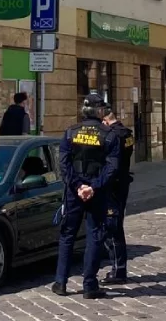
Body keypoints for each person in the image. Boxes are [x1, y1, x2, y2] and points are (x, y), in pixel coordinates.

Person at [53, 96, 120, 299]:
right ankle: (90, 285)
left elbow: (63, 165)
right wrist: (93, 187)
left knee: (67, 235)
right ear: (100, 112)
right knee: (95, 235)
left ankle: (60, 282)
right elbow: (112, 168)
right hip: (97, 192)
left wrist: (77, 186)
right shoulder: (109, 135)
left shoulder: (70, 132)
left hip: (74, 192)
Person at [100, 104, 134, 285]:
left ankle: (118, 270)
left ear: (105, 121)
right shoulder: (127, 133)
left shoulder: (113, 135)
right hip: (122, 183)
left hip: (113, 186)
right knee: (116, 226)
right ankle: (119, 268)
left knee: (112, 228)